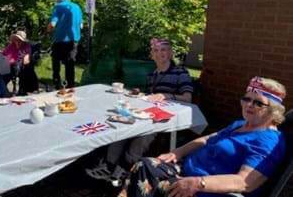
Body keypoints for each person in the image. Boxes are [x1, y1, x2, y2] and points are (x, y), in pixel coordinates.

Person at [123, 76, 287, 197]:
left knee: (150, 181)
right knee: (145, 165)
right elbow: (207, 139)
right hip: (187, 171)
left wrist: (198, 183)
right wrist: (177, 152)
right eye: (246, 99)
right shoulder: (240, 124)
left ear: (274, 111)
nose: (249, 105)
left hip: (206, 189)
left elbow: (246, 182)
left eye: (258, 103)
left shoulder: (268, 141)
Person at [86, 38, 193, 187]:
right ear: (152, 55)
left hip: (166, 118)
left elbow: (188, 98)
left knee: (143, 135)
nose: (160, 53)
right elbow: (151, 97)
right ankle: (108, 166)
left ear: (170, 54)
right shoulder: (152, 74)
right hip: (149, 113)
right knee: (123, 123)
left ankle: (122, 172)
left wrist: (166, 95)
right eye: (156, 50)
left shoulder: (180, 72)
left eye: (163, 50)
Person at [47, 0, 83, 89]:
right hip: (74, 40)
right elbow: (81, 25)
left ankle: (57, 84)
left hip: (60, 40)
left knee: (56, 63)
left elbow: (52, 24)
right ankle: (70, 86)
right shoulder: (77, 7)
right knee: (70, 64)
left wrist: (48, 30)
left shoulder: (58, 7)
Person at [2, 30, 38, 95]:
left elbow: (27, 59)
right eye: (16, 40)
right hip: (10, 66)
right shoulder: (11, 45)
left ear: (23, 41)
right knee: (2, 72)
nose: (17, 42)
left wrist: (24, 59)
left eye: (20, 40)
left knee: (23, 69)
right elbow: (3, 54)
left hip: (21, 66)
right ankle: (3, 90)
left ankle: (22, 90)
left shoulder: (26, 46)